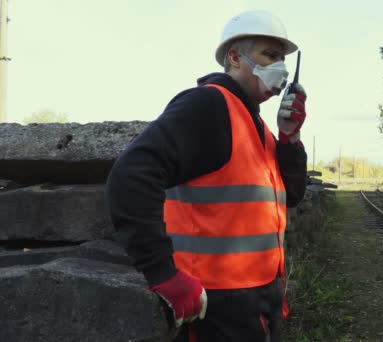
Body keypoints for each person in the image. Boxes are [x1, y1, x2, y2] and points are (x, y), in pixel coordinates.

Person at [105, 10, 308, 342]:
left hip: (259, 303)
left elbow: (293, 195)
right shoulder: (209, 105)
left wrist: (290, 137)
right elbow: (130, 176)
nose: (280, 67)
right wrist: (163, 275)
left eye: (282, 59)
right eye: (269, 55)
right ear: (234, 57)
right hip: (216, 310)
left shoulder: (257, 126)